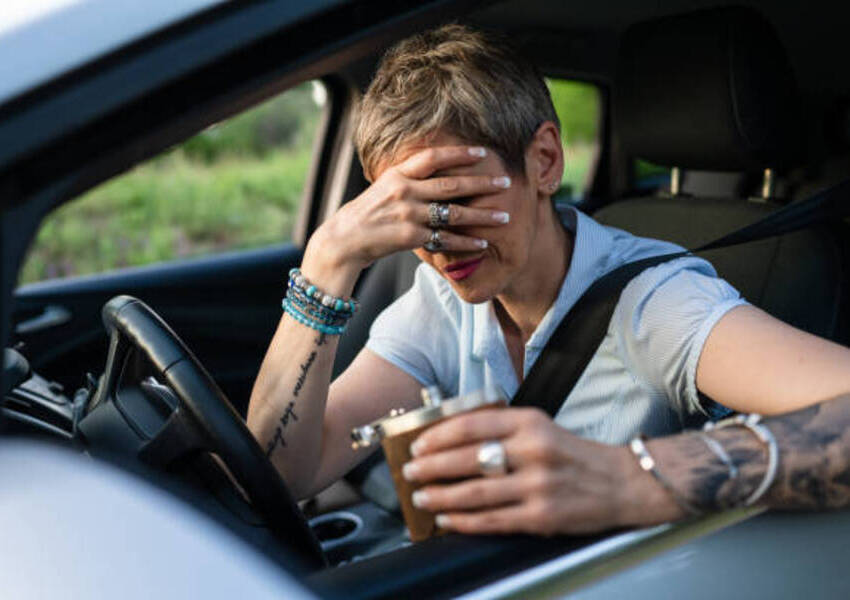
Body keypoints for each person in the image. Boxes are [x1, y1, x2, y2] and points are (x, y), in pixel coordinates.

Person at [247, 24, 850, 535]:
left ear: (544, 161)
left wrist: (628, 478)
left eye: (457, 200)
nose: (439, 242)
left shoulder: (656, 305)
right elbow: (285, 474)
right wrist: (328, 258)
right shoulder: (440, 300)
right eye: (412, 212)